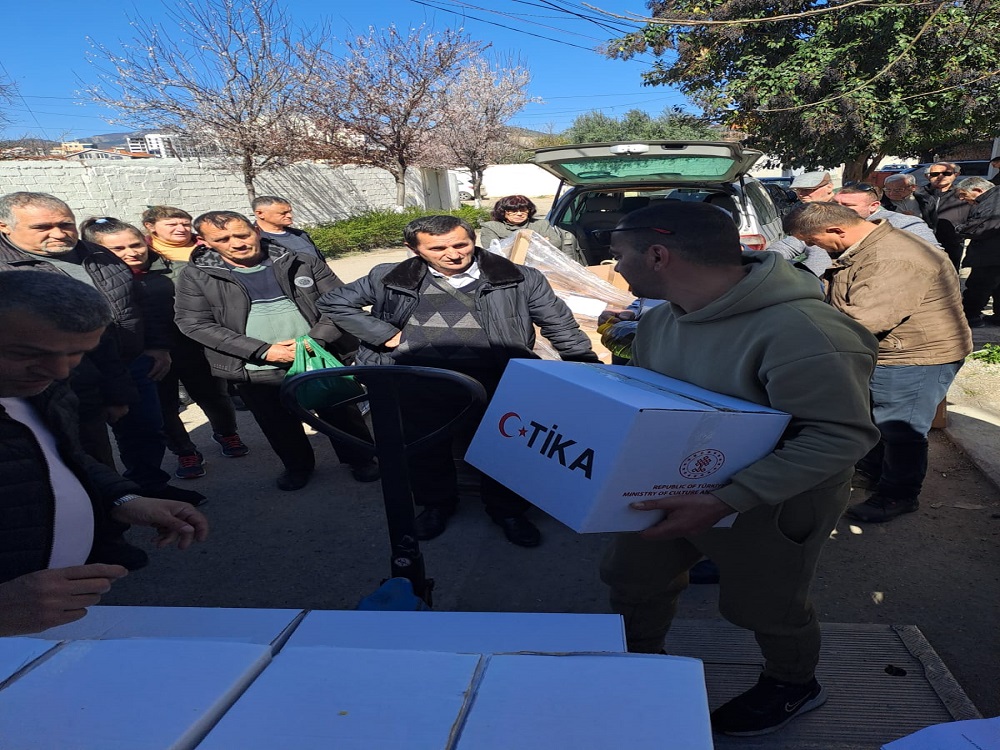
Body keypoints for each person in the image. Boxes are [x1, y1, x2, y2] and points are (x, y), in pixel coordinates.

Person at [599, 201, 879, 736]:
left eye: (618, 254)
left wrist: (726, 498)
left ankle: (793, 683)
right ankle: (641, 663)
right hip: (671, 484)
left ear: (657, 255)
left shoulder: (806, 333)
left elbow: (841, 436)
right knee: (633, 578)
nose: (615, 267)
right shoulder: (660, 319)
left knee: (767, 605)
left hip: (773, 498)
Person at [318, 214, 599, 547]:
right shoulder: (389, 277)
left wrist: (589, 371)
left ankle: (508, 511)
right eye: (438, 248)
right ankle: (436, 505)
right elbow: (333, 301)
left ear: (473, 239)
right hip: (416, 381)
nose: (453, 254)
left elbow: (560, 325)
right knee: (425, 449)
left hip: (497, 380)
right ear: (413, 248)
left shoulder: (519, 278)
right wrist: (384, 334)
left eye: (460, 244)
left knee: (506, 448)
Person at [0, 270, 209, 636]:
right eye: (27, 354)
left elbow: (60, 457)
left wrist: (122, 498)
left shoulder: (42, 387)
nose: (59, 371)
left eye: (77, 353)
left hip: (53, 624)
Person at [0, 193, 201, 505]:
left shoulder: (99, 254)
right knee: (88, 446)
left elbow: (140, 302)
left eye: (66, 224)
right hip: (61, 378)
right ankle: (109, 508)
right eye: (43, 227)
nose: (59, 233)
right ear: (5, 226)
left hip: (131, 364)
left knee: (147, 431)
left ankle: (149, 487)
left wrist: (157, 346)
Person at [786, 202, 972, 522]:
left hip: (914, 357)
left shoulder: (893, 258)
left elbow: (866, 319)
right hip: (886, 351)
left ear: (836, 230)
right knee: (875, 418)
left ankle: (898, 495)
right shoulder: (867, 245)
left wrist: (801, 340)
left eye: (814, 241)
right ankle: (872, 471)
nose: (814, 249)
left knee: (901, 428)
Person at [174, 210, 379, 491]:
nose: (237, 243)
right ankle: (298, 466)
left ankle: (361, 459)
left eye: (242, 234)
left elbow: (339, 303)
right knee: (276, 421)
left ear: (256, 231)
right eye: (223, 239)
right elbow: (193, 323)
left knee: (341, 412)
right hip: (255, 365)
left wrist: (314, 341)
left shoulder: (302, 261)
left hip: (317, 355)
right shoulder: (196, 276)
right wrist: (262, 351)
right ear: (205, 242)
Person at [81, 217, 249, 480]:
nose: (131, 252)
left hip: (192, 348)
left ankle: (227, 433)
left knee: (214, 396)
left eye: (135, 244)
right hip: (146, 356)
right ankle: (184, 451)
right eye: (118, 249)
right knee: (165, 407)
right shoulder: (96, 282)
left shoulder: (180, 270)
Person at [764, 171, 837, 275]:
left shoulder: (846, 209)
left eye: (808, 189)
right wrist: (770, 257)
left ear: (829, 187)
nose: (801, 194)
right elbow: (793, 243)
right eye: (797, 190)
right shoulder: (804, 211)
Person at [478, 195, 585, 264]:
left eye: (523, 210)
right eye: (513, 211)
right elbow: (494, 250)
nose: (519, 214)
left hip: (541, 265)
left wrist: (516, 246)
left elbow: (555, 242)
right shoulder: (490, 227)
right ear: (503, 212)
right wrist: (539, 242)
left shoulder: (541, 224)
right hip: (507, 266)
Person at [954, 176, 1000, 327]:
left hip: (990, 254)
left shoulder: (994, 200)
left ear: (978, 190)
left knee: (979, 285)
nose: (962, 199)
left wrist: (960, 229)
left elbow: (985, 226)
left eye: (964, 194)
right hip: (992, 251)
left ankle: (970, 316)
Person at [834, 183, 941, 246]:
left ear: (873, 206)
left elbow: (935, 256)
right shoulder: (830, 221)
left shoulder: (906, 224)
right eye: (834, 203)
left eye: (847, 205)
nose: (837, 208)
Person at [918, 161, 971, 270]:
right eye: (935, 174)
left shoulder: (964, 195)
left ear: (956, 174)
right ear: (927, 176)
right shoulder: (918, 194)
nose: (940, 176)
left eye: (947, 173)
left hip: (952, 244)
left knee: (950, 274)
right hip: (921, 243)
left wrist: (961, 231)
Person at [252, 195, 325, 260]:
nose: (290, 216)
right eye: (283, 213)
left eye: (289, 212)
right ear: (260, 214)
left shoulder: (301, 234)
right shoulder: (256, 241)